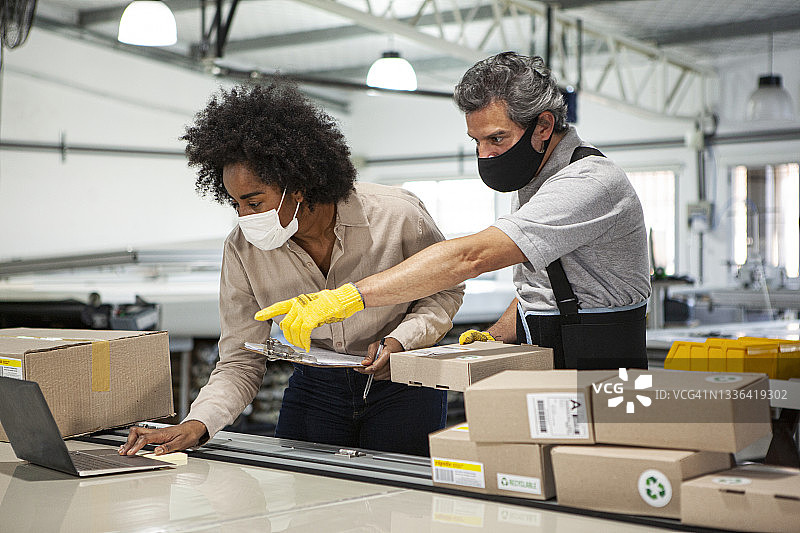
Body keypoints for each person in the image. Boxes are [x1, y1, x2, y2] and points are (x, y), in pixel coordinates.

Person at [119, 83, 464, 458]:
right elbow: (240, 358)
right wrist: (197, 424)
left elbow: (444, 290)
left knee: (401, 504)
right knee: (302, 500)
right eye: (234, 203)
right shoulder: (242, 249)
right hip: (317, 389)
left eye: (253, 202)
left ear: (297, 186)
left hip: (403, 384)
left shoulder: (397, 216)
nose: (243, 217)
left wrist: (404, 339)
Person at [257, 52, 651, 371]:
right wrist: (498, 334)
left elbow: (470, 256)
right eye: (476, 140)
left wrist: (345, 298)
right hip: (557, 350)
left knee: (601, 467)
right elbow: (554, 287)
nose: (485, 154)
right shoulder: (537, 179)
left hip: (605, 365)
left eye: (497, 138)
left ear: (544, 126)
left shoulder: (588, 183)